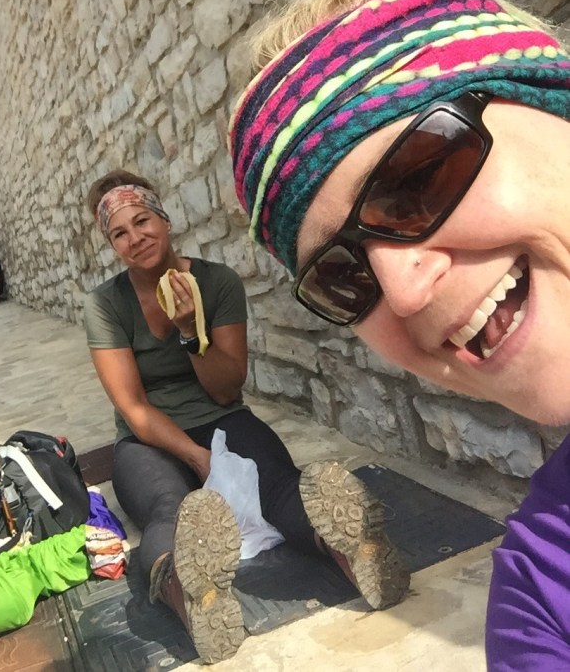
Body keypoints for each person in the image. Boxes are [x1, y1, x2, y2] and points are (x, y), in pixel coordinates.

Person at [227, 0, 570, 671]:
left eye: (420, 174)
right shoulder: (540, 595)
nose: (404, 292)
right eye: (342, 276)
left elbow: (224, 378)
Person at [84, 169, 409, 664]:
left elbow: (225, 387)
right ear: (112, 245)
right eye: (119, 233)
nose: (135, 238)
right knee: (170, 509)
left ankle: (353, 550)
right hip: (147, 439)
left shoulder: (217, 282)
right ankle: (193, 598)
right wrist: (196, 457)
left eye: (142, 221)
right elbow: (133, 407)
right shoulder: (105, 304)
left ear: (164, 219)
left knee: (277, 487)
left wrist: (190, 331)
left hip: (221, 416)